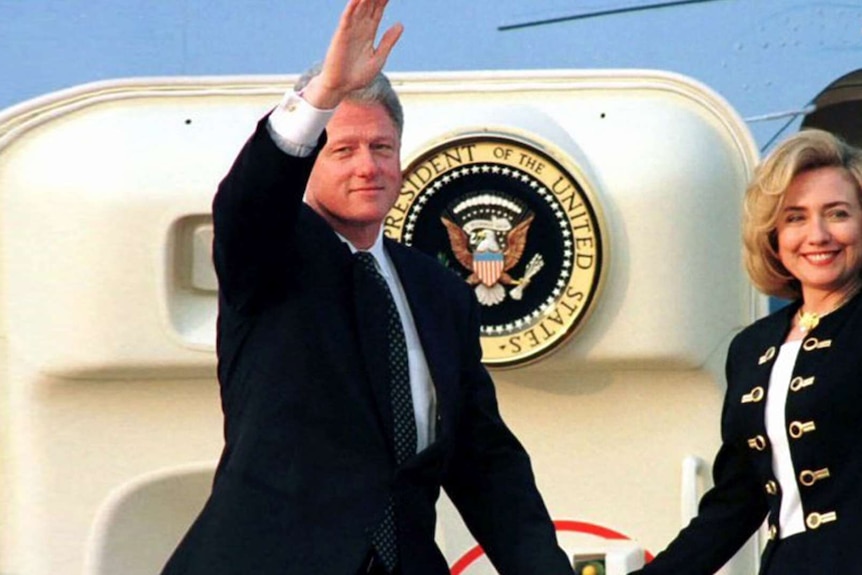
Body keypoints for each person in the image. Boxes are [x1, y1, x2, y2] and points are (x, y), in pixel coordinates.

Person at [159, 1, 574, 574]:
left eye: (381, 148)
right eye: (343, 149)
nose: (367, 167)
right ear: (311, 160)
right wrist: (325, 93)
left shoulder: (438, 292)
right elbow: (248, 203)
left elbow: (486, 464)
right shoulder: (271, 255)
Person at [630, 128, 862, 574]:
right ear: (772, 235)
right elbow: (736, 503)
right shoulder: (753, 347)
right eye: (795, 218)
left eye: (837, 214)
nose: (817, 234)